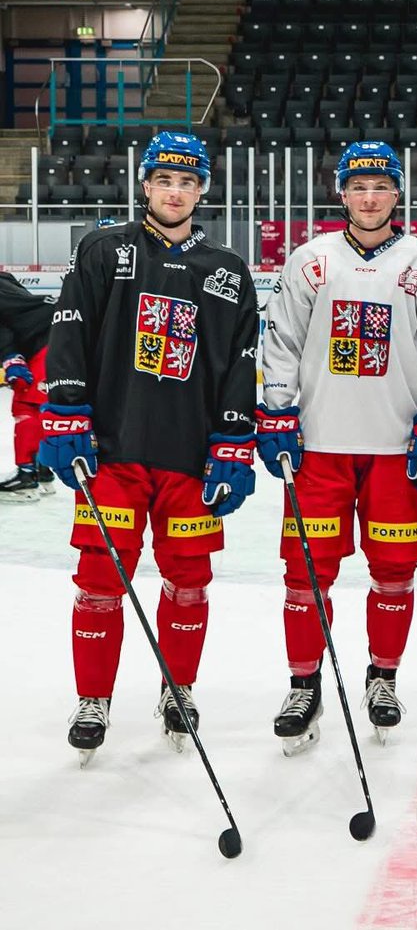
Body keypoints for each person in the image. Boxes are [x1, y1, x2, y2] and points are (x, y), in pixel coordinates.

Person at [38, 130, 259, 764]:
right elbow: (71, 331)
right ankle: (93, 699)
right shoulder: (104, 250)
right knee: (101, 582)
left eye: (187, 181)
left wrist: (233, 443)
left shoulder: (226, 271)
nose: (175, 190)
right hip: (113, 452)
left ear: (203, 189)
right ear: (145, 185)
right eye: (164, 179)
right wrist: (67, 415)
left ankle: (178, 687)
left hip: (190, 459)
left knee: (188, 581)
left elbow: (239, 365)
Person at [258, 140, 417, 754]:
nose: (369, 198)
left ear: (398, 193)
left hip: (395, 450)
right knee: (304, 574)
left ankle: (383, 676)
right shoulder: (310, 261)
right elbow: (282, 343)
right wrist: (277, 411)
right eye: (358, 187)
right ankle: (303, 683)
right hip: (319, 448)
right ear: (341, 193)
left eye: (381, 187)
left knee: (394, 573)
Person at [0, 271, 57, 501]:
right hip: (57, 336)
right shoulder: (7, 282)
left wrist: (11, 357)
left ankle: (26, 478)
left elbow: (3, 330)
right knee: (39, 407)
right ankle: (42, 469)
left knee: (25, 407)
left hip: (44, 346)